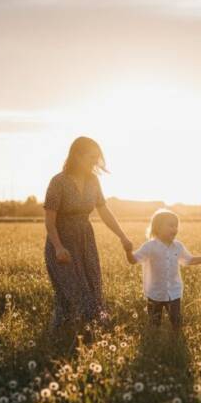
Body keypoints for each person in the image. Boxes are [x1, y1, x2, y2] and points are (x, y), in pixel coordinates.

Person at [43, 136, 133, 337]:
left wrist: (122, 236)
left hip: (86, 241)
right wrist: (58, 247)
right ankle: (61, 337)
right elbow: (49, 220)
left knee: (93, 286)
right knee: (71, 292)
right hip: (63, 243)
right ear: (77, 155)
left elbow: (104, 211)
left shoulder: (93, 181)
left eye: (97, 158)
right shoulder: (58, 181)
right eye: (91, 157)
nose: (95, 162)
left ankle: (91, 336)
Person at [126, 209, 201, 332]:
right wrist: (128, 251)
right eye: (171, 225)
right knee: (154, 324)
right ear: (157, 227)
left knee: (176, 323)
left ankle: (176, 341)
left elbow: (189, 260)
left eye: (176, 226)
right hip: (155, 293)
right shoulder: (150, 246)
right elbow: (133, 260)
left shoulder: (178, 246)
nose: (175, 229)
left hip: (174, 292)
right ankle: (154, 343)